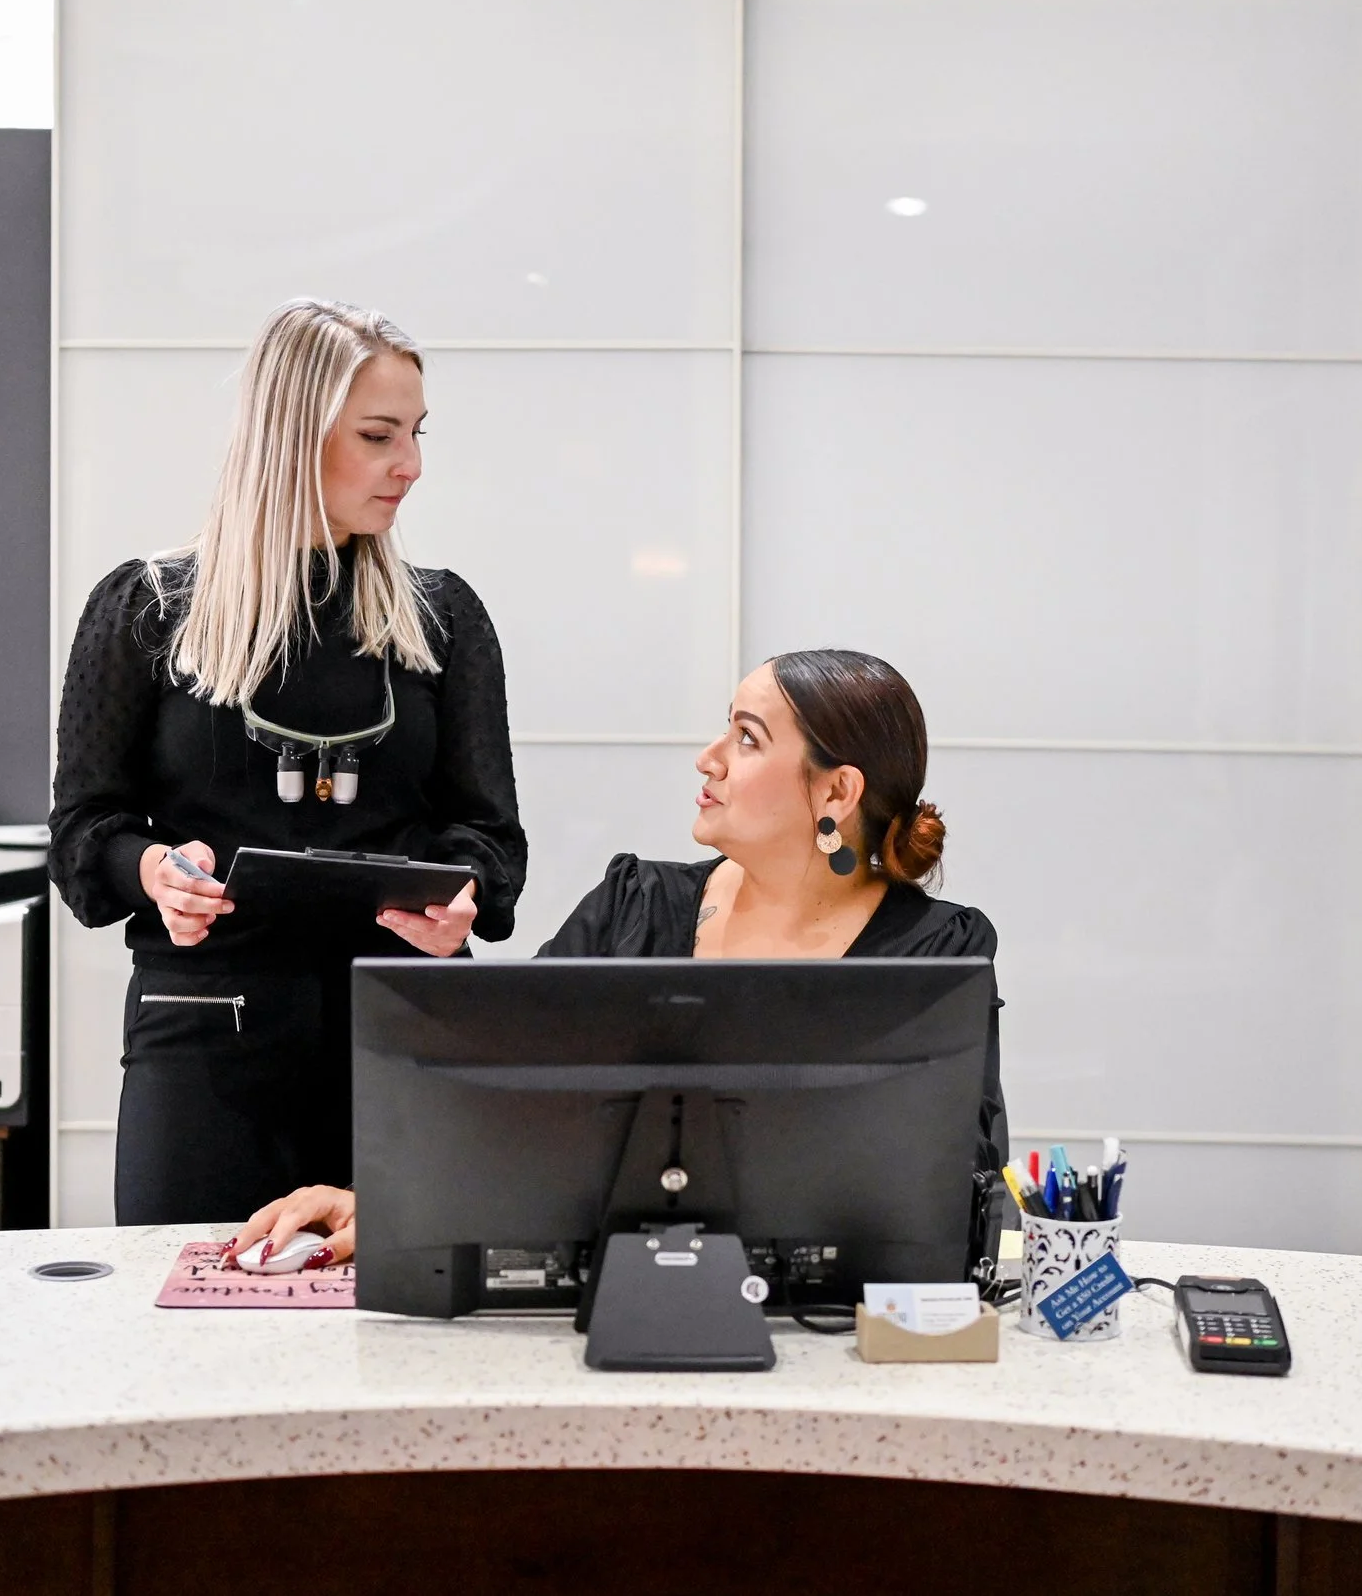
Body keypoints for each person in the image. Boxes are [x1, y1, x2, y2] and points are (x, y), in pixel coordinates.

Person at [227, 648, 1005, 1268]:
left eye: (747, 737)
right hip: (595, 1306)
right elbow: (498, 1085)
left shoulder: (937, 952)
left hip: (834, 1336)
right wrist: (379, 1198)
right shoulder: (634, 905)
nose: (709, 758)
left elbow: (958, 1179)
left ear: (837, 791)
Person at [50, 298, 525, 1228]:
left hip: (402, 1035)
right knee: (190, 1330)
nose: (411, 466)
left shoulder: (443, 620)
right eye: (381, 435)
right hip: (204, 1041)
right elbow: (82, 835)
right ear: (291, 435)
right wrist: (152, 871)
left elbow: (494, 840)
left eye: (417, 434)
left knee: (399, 1328)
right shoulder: (147, 609)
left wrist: (463, 894)